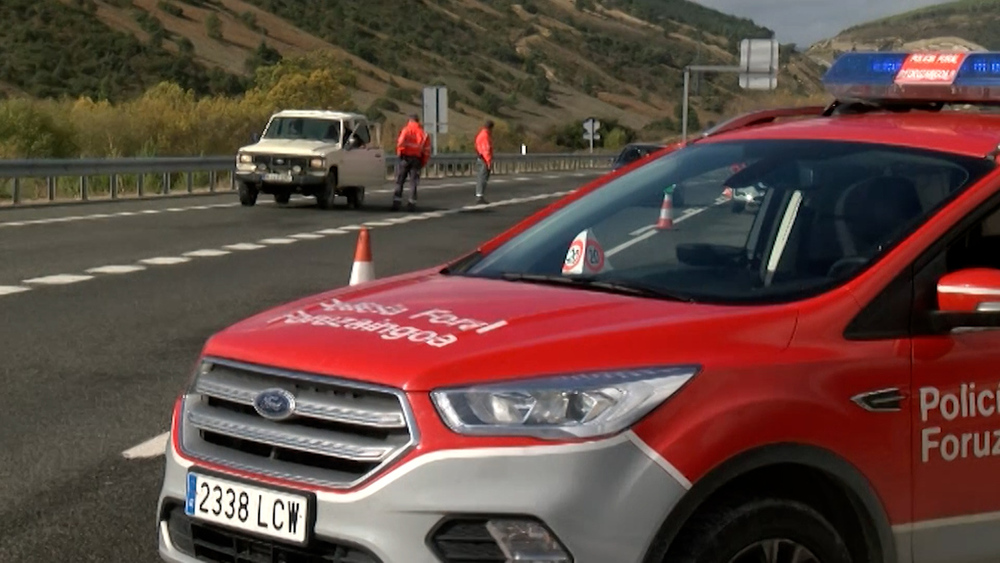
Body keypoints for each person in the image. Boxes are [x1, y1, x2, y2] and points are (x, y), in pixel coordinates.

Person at [393, 114, 431, 211]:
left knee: (400, 181)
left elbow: (400, 143)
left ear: (410, 120)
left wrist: (400, 154)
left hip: (405, 158)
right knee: (413, 182)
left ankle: (397, 202)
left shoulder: (406, 130)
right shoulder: (423, 134)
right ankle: (412, 203)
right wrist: (423, 162)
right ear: (418, 121)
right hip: (416, 159)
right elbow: (426, 151)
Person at [474, 120, 494, 204]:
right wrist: (489, 162)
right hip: (484, 159)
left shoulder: (480, 135)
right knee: (483, 178)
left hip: (480, 157)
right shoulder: (485, 136)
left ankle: (479, 195)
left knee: (480, 177)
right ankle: (479, 196)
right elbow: (486, 150)